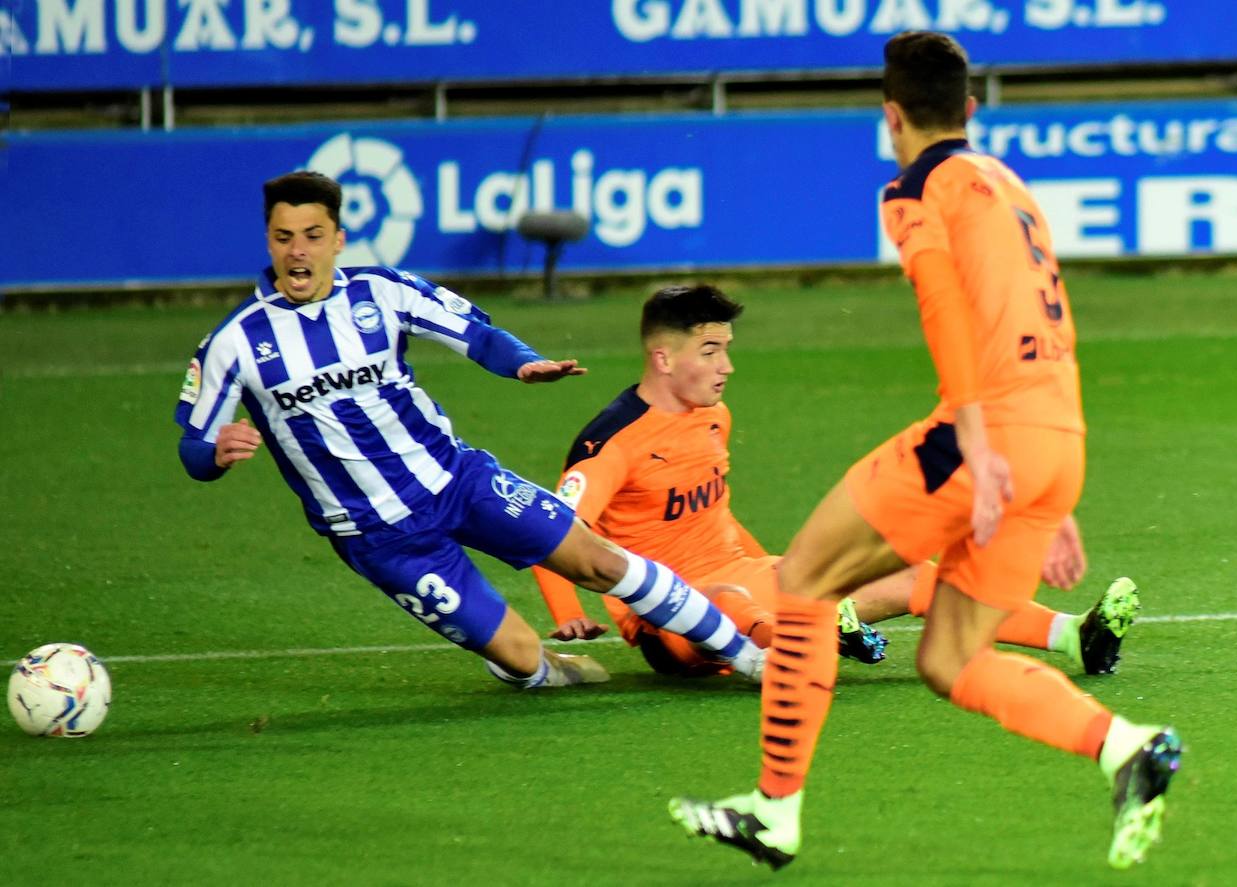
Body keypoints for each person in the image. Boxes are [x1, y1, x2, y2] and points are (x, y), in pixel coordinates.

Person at [668, 32, 1181, 871]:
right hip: (1056, 436)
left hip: (984, 435)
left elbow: (943, 304)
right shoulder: (1012, 185)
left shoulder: (914, 189)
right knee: (951, 657)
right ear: (971, 110)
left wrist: (978, 438)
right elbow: (1044, 324)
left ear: (891, 114)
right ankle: (1127, 745)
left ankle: (775, 809)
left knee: (801, 577)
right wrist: (1052, 486)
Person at [173, 170, 768, 691]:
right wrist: (217, 453)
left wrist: (523, 362)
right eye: (284, 238)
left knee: (601, 562)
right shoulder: (235, 342)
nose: (298, 252)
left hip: (460, 480)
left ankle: (751, 661)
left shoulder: (383, 292)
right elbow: (193, 447)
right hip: (382, 538)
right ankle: (537, 665)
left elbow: (475, 334)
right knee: (521, 657)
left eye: (312, 236)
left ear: (338, 241)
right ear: (269, 243)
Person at [533, 284, 1140, 679]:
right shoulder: (611, 440)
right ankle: (807, 640)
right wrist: (568, 612)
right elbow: (548, 529)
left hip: (747, 579)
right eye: (712, 351)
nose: (727, 366)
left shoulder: (713, 416)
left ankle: (1073, 638)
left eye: (727, 348)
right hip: (670, 618)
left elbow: (712, 515)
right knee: (727, 599)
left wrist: (773, 565)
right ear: (664, 359)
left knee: (913, 573)